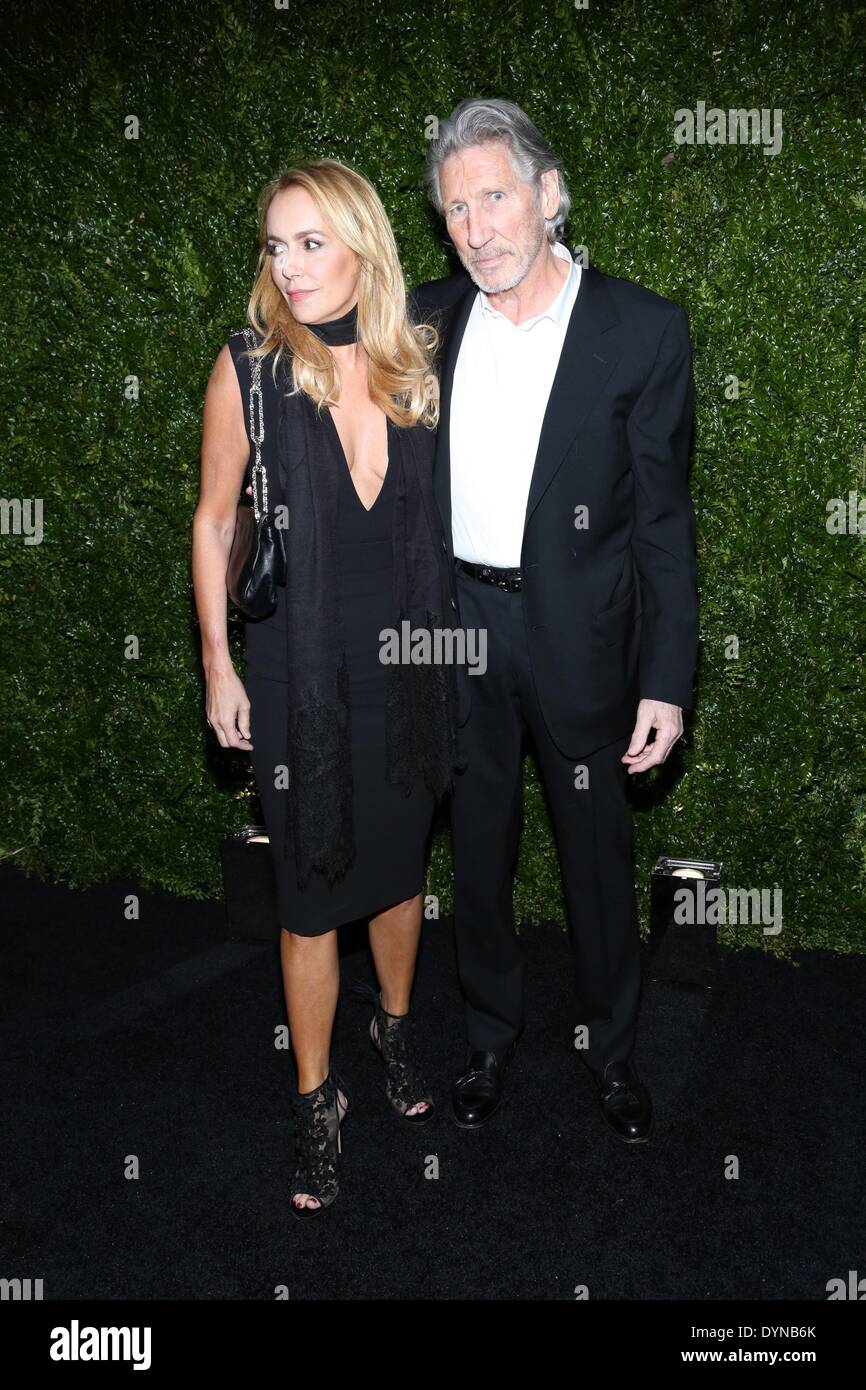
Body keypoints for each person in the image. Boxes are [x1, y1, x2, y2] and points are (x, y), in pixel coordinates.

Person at [412, 98, 699, 1140]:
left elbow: (663, 520)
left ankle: (612, 1053)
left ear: (545, 194)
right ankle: (487, 1039)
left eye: (492, 196)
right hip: (455, 632)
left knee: (595, 859)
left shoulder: (640, 328)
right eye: (453, 210)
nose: (476, 228)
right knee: (475, 853)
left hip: (580, 638)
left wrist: (665, 677)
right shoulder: (424, 321)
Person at [192, 159, 461, 1215]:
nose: (289, 265)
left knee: (396, 875)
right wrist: (217, 663)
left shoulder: (416, 362)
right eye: (275, 244)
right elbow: (215, 520)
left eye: (311, 241)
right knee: (307, 898)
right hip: (295, 669)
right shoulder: (250, 368)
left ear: (363, 245)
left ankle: (392, 1035)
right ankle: (316, 1106)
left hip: (407, 666)